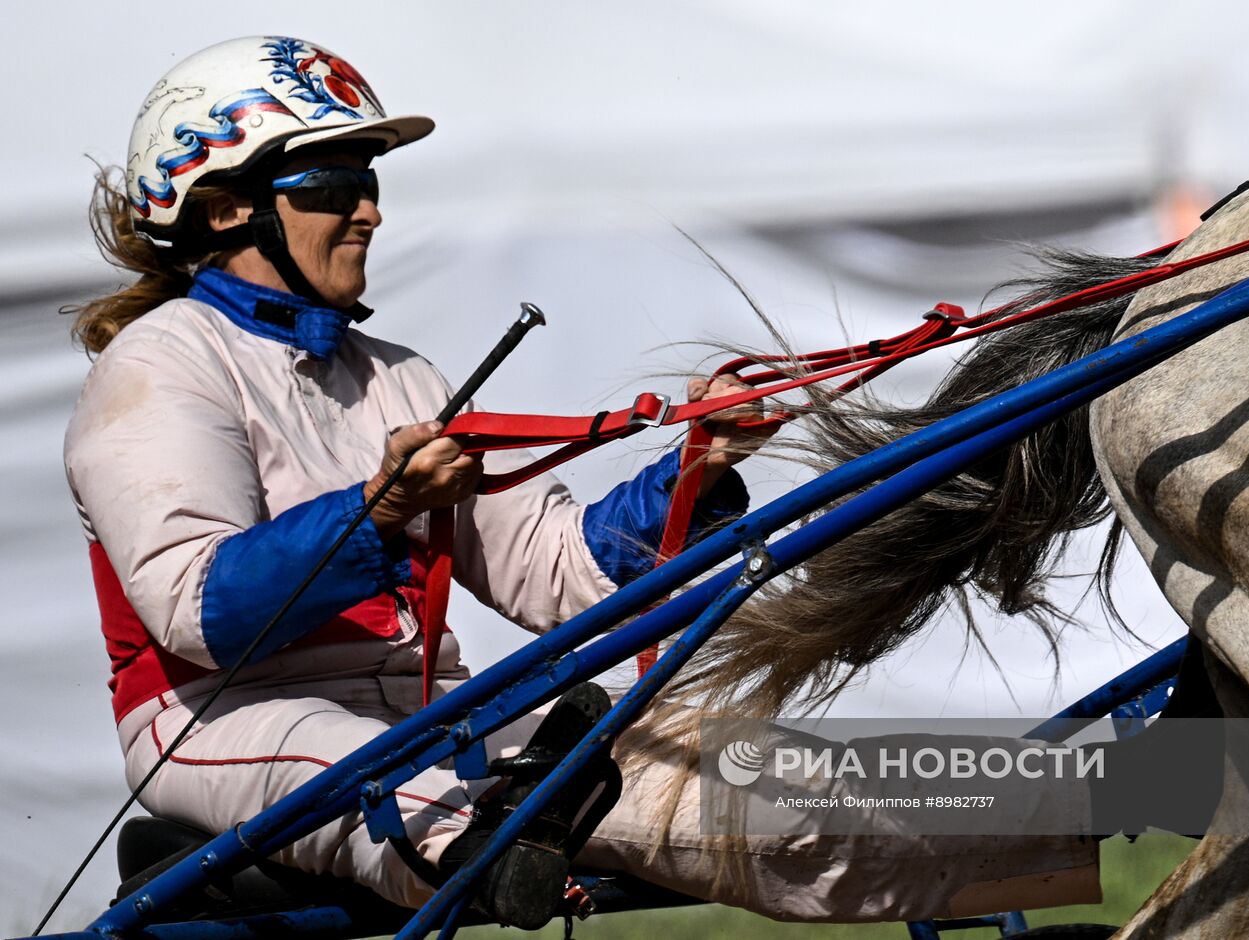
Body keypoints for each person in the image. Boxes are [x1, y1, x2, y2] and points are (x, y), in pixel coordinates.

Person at [66, 36, 1107, 926]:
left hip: (425, 711)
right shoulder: (156, 367)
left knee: (742, 775)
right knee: (430, 795)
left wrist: (691, 473)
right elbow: (200, 612)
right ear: (220, 212)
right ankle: (514, 826)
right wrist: (378, 513)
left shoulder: (402, 378)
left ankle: (1131, 790)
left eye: (369, 183)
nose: (369, 213)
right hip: (227, 721)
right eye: (333, 185)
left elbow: (553, 573)